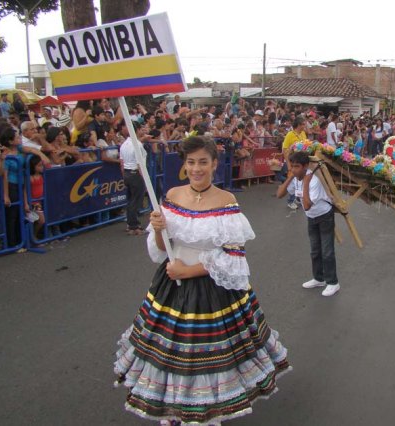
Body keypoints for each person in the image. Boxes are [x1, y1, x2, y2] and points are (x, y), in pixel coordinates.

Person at [114, 136, 290, 425]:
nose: (197, 169)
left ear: (214, 164)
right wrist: (158, 229)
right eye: (191, 162)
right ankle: (175, 409)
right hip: (171, 283)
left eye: (203, 162)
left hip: (212, 287)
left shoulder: (226, 200)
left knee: (206, 353)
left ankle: (206, 411)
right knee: (173, 350)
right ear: (185, 164)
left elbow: (233, 256)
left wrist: (189, 271)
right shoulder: (172, 195)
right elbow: (161, 249)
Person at [276, 151, 340, 297]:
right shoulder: (295, 177)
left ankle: (333, 282)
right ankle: (319, 278)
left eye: (297, 166)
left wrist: (305, 183)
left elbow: (306, 205)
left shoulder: (314, 180)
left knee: (327, 251)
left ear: (305, 166)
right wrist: (290, 177)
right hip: (311, 217)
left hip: (324, 216)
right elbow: (279, 195)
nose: (293, 169)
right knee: (315, 250)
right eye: (292, 166)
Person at [118, 121, 146, 235]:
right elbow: (140, 164)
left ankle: (130, 223)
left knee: (130, 200)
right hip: (135, 174)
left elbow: (121, 162)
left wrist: (124, 176)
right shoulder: (137, 145)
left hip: (127, 173)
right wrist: (144, 179)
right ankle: (134, 226)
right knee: (135, 200)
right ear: (137, 130)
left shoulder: (124, 144)